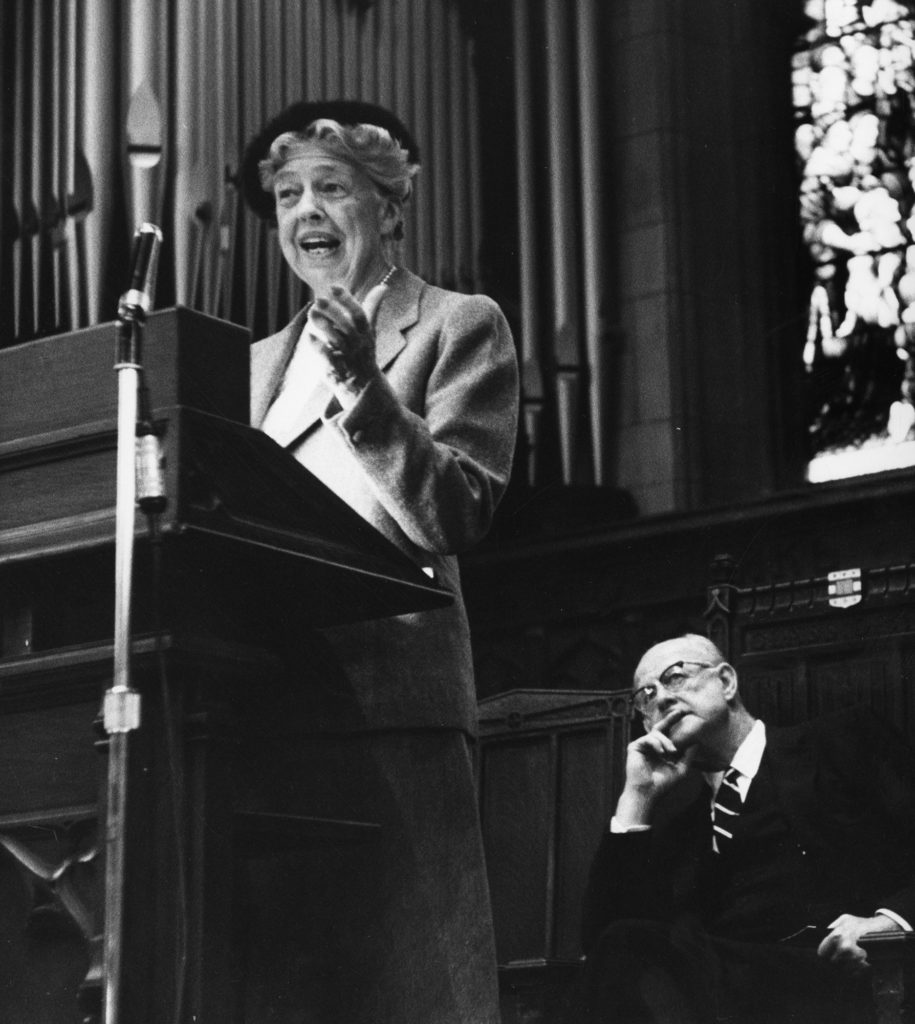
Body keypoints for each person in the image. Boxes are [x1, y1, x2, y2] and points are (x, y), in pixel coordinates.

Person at [238, 100, 518, 1024]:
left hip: (394, 698)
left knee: (415, 994)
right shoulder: (252, 365)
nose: (306, 212)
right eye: (287, 195)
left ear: (390, 208)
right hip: (272, 705)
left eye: (332, 188)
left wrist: (362, 383)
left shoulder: (455, 325)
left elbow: (458, 513)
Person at [575, 633, 915, 1024]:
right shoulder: (676, 827)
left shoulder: (841, 742)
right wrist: (637, 797)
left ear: (726, 682)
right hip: (722, 1000)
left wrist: (887, 923)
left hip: (839, 981)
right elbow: (606, 944)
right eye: (646, 696)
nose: (663, 698)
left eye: (675, 677)